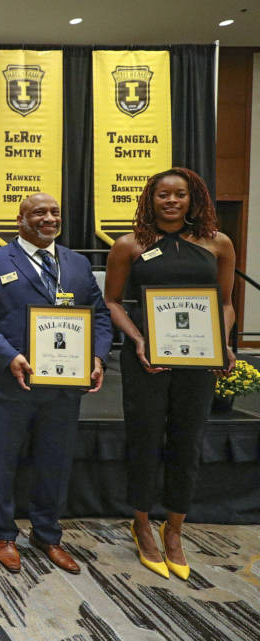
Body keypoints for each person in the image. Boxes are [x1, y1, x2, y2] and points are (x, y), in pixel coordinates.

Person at [0, 192, 111, 575]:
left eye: (55, 212)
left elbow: (101, 316)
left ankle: (47, 534)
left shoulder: (77, 264)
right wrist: (8, 355)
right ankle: (3, 534)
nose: (49, 218)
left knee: (55, 463)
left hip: (65, 387)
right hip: (13, 383)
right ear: (20, 220)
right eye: (39, 212)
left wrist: (97, 356)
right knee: (3, 463)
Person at [103, 168, 235, 580]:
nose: (172, 201)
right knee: (144, 436)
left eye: (180, 194)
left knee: (188, 438)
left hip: (198, 359)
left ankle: (174, 528)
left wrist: (224, 342)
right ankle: (142, 522)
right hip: (146, 358)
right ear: (151, 199)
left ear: (194, 199)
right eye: (163, 195)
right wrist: (139, 340)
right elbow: (112, 302)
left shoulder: (219, 244)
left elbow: (227, 304)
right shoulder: (129, 245)